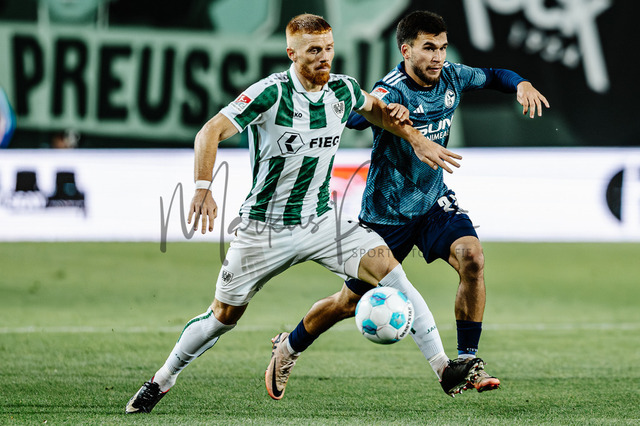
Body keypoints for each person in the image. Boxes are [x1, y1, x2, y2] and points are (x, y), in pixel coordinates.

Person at [125, 13, 467, 414]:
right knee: (222, 317)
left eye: (329, 48)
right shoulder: (270, 93)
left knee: (392, 274)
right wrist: (203, 187)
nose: (325, 57)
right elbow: (209, 132)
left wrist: (413, 136)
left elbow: (376, 110)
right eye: (314, 50)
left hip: (321, 222)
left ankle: (443, 368)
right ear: (292, 53)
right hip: (263, 230)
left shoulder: (342, 89)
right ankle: (162, 379)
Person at [341, 10, 549, 386]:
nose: (438, 56)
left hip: (433, 201)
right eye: (429, 48)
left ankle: (468, 361)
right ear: (406, 51)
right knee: (347, 302)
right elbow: (356, 118)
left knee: (472, 257)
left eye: (442, 47)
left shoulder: (453, 75)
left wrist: (521, 83)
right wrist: (385, 112)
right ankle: (290, 343)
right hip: (387, 213)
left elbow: (495, 75)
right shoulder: (391, 88)